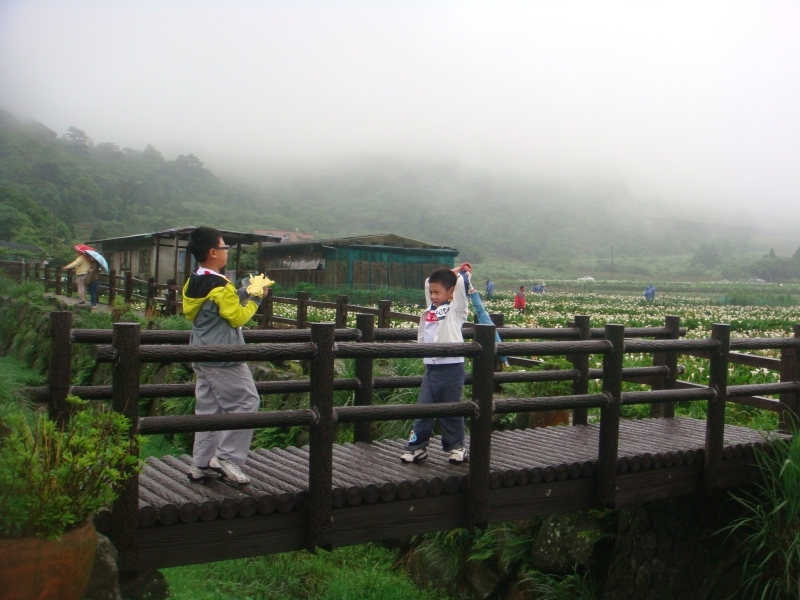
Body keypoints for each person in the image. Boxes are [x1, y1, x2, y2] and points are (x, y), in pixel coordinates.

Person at [182, 226, 273, 485]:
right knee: (247, 403)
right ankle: (227, 457)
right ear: (213, 252)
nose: (226, 252)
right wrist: (256, 300)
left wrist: (245, 291)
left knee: (209, 409)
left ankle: (200, 463)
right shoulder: (220, 284)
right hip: (224, 356)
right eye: (224, 247)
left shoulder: (195, 280)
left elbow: (220, 305)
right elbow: (236, 316)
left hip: (201, 353)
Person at [400, 266, 472, 465]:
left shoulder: (457, 309)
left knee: (450, 409)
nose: (432, 296)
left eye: (437, 292)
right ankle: (417, 448)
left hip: (451, 366)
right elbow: (427, 282)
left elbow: (459, 285)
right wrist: (451, 270)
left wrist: (460, 274)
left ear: (450, 292)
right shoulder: (431, 307)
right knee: (422, 409)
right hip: (431, 367)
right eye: (431, 292)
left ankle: (457, 448)